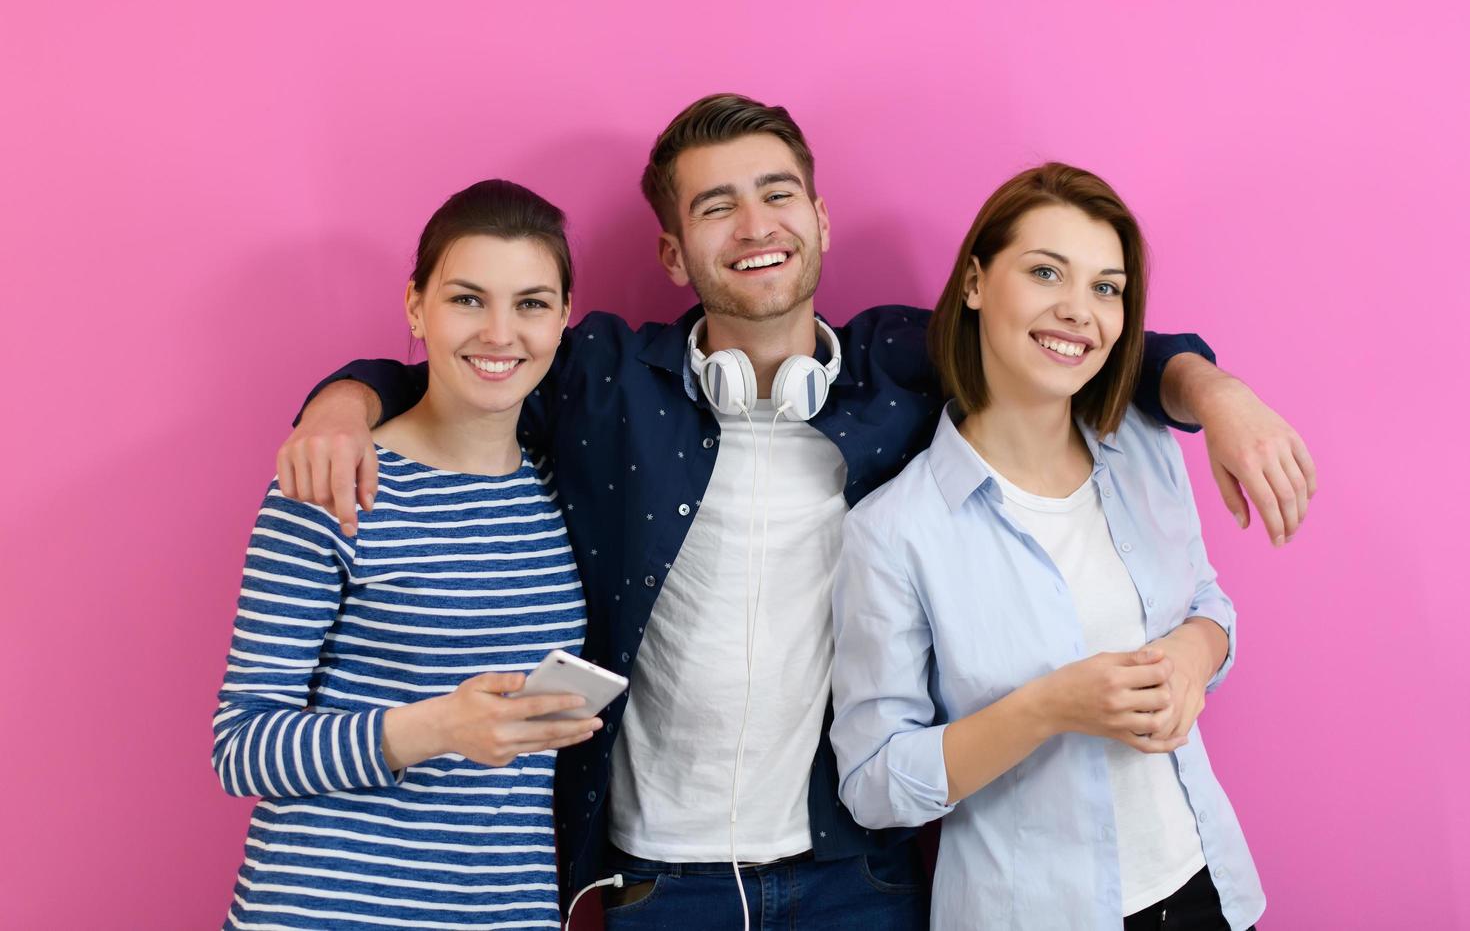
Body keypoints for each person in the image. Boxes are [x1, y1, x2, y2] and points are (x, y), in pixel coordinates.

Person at [277, 95, 1310, 929]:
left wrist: (1217, 395)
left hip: (853, 878)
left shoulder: (904, 365)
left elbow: (1084, 337)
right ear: (676, 254)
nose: (756, 223)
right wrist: (344, 399)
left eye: (778, 193)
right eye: (716, 204)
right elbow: (480, 360)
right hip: (653, 882)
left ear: (819, 220)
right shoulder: (603, 379)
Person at [830, 163, 1266, 929]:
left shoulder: (1147, 448)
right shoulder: (895, 530)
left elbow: (1206, 601)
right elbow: (872, 782)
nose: (1079, 312)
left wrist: (1194, 659)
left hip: (1208, 890)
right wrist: (1046, 708)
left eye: (1107, 287)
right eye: (1044, 272)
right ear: (974, 282)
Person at [212, 180, 603, 930]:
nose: (499, 333)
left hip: (503, 912)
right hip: (324, 912)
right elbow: (242, 746)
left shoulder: (562, 489)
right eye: (466, 299)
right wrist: (436, 730)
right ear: (415, 306)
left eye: (529, 303)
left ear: (562, 320)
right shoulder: (334, 480)